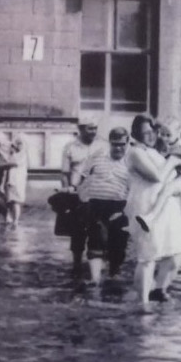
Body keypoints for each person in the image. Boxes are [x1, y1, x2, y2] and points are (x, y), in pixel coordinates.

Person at [126, 116, 181, 306]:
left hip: (168, 206)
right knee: (148, 256)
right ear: (136, 134)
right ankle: (143, 301)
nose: (150, 136)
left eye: (152, 131)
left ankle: (159, 289)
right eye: (145, 133)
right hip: (145, 205)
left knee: (176, 254)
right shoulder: (135, 152)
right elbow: (156, 177)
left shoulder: (155, 151)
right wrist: (172, 161)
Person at [72, 128, 132, 285]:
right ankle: (95, 279)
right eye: (115, 144)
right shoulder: (97, 155)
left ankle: (114, 273)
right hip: (96, 204)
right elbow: (82, 174)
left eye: (121, 144)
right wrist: (76, 189)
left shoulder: (132, 160)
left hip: (120, 206)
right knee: (95, 239)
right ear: (109, 143)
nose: (118, 148)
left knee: (118, 241)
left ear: (127, 143)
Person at [60, 117, 108, 273]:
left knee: (100, 229)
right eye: (89, 128)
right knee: (77, 230)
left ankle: (100, 263)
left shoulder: (103, 145)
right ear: (80, 129)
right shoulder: (70, 147)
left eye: (95, 128)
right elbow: (64, 173)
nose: (93, 132)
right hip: (77, 194)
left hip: (98, 194)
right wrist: (67, 190)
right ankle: (77, 263)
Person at [135, 117, 181, 232]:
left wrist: (178, 162)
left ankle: (151, 217)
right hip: (176, 175)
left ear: (178, 134)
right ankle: (154, 218)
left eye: (168, 135)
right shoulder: (164, 142)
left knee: (167, 191)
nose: (164, 138)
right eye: (162, 134)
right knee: (163, 192)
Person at [4, 134, 29, 227]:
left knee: (16, 200)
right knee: (10, 200)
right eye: (17, 143)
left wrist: (6, 162)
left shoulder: (23, 154)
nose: (18, 145)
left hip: (18, 180)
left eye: (20, 143)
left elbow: (14, 163)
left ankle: (16, 219)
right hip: (11, 179)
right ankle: (10, 216)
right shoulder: (14, 154)